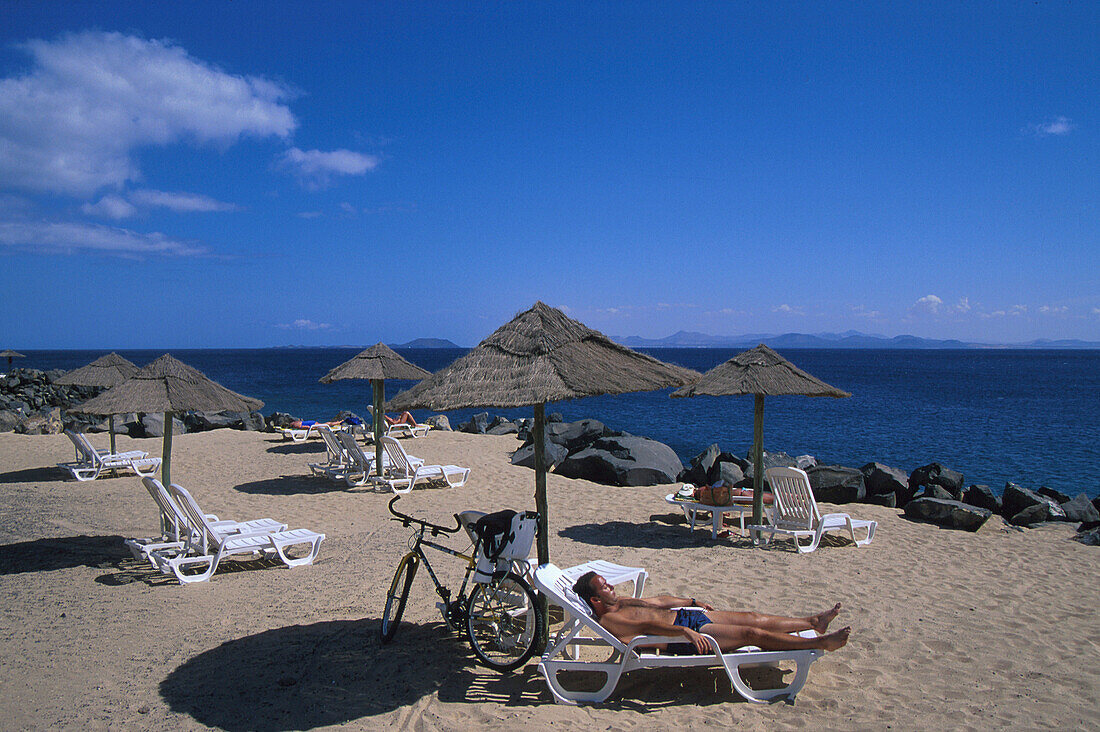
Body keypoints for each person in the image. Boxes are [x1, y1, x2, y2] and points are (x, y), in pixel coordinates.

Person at [572, 571, 850, 655]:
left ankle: (812, 622)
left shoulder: (620, 602)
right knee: (751, 634)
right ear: (595, 600)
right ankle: (819, 642)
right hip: (685, 637)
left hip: (687, 619)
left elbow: (658, 603)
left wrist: (692, 600)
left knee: (751, 617)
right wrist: (684, 631)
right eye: (605, 587)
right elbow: (649, 629)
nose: (611, 586)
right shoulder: (610, 619)